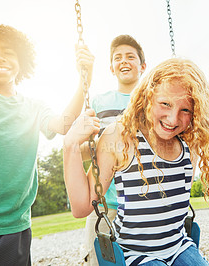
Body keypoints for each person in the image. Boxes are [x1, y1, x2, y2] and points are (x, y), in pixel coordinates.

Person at [63, 58, 209, 265]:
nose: (172, 119)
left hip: (179, 245)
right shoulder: (120, 137)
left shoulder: (192, 142)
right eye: (165, 104)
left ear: (197, 111)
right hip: (134, 254)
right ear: (148, 97)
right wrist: (70, 145)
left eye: (185, 110)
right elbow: (81, 208)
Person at [0, 21, 93, 265]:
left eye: (8, 52)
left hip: (14, 224)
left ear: (21, 62)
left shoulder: (33, 106)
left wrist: (84, 81)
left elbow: (63, 125)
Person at [81, 34, 147, 265]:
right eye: (118, 58)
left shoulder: (154, 101)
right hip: (105, 202)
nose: (124, 61)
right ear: (111, 67)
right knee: (100, 260)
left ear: (143, 65)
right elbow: (83, 146)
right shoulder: (99, 101)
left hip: (144, 203)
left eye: (131, 56)